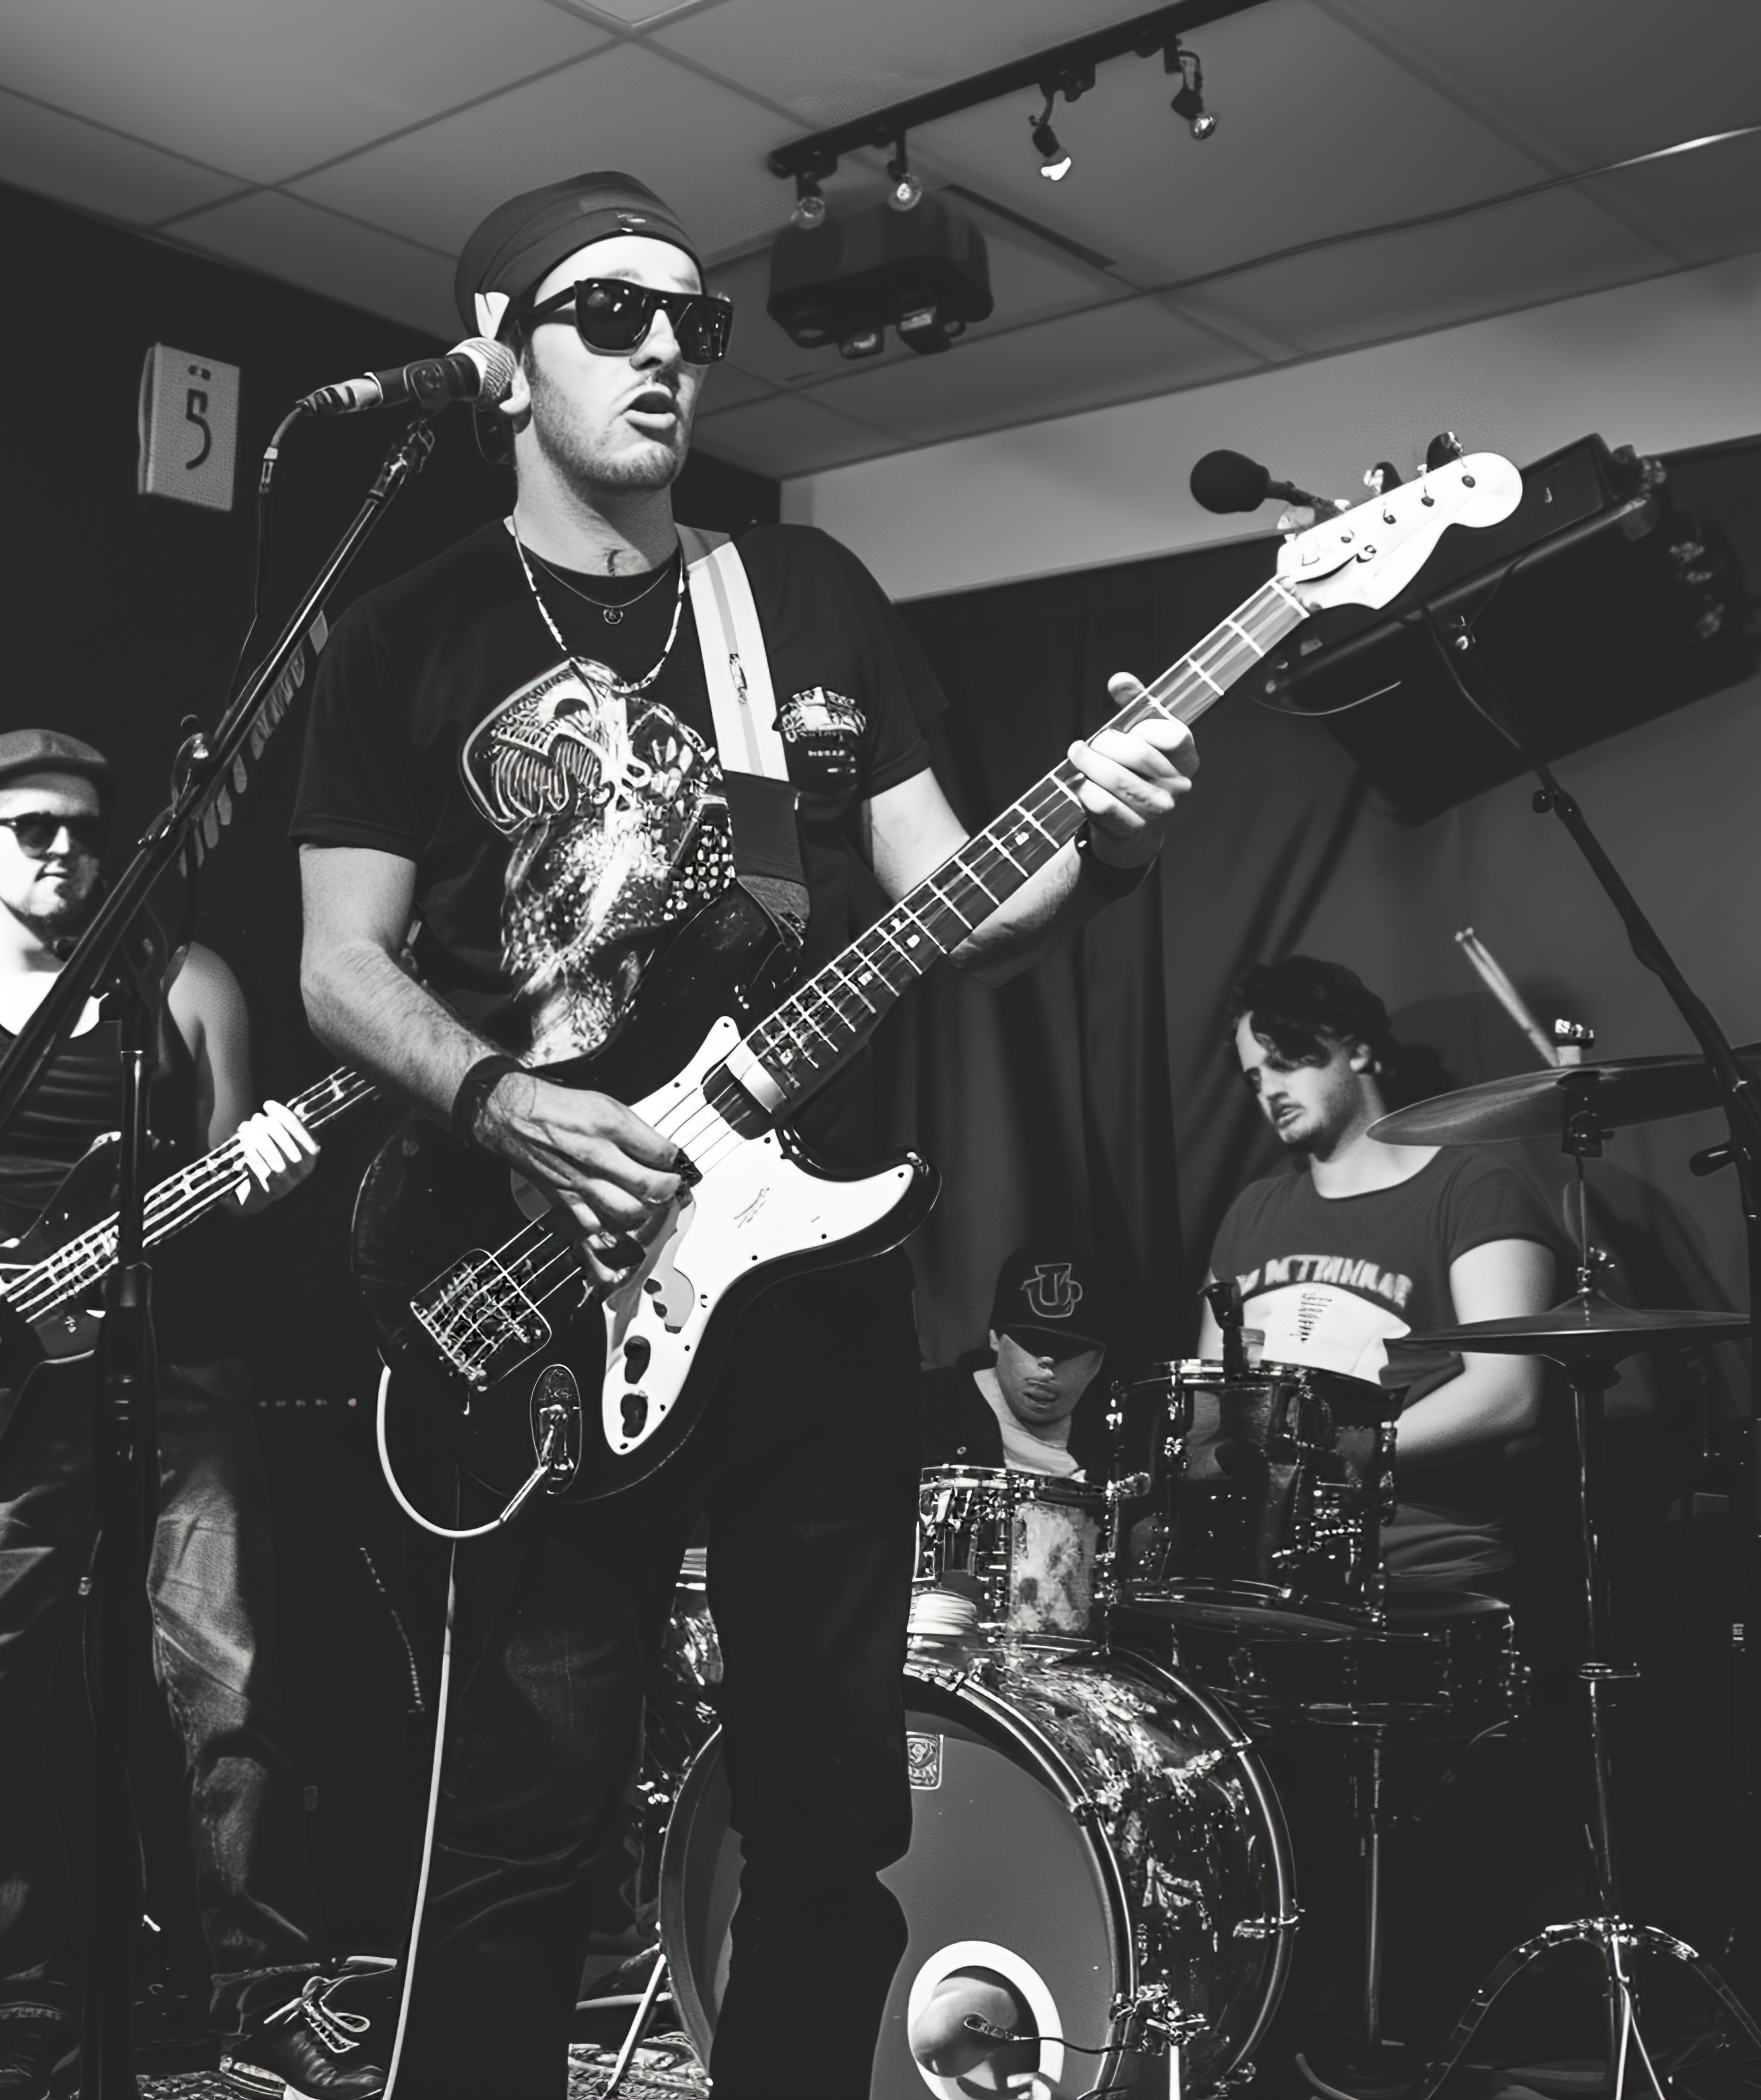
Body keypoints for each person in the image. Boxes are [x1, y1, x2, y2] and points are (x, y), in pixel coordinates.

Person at [288, 171, 1198, 2098]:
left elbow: (960, 893)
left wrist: (1096, 824)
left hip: (807, 1298)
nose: (661, 356)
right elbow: (337, 968)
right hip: (526, 1292)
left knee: (826, 1812)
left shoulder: (805, 597)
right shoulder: (398, 637)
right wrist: (497, 1097)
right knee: (524, 1825)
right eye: (609, 317)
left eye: (690, 325)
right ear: (496, 364)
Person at [0, 731, 385, 2100]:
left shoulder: (182, 984)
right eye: (31, 829)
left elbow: (240, 1171)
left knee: (228, 1692)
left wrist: (274, 1168)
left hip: (179, 1381)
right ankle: (27, 2009)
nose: (64, 853)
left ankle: (267, 1994)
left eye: (84, 831)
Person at [1198, 955, 1560, 1591]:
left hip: (1421, 1573)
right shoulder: (1251, 1212)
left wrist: (1328, 1451)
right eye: (1254, 1078)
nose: (1269, 1090)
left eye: (1285, 1060)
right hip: (1265, 1574)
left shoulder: (1472, 1188)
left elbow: (1509, 1393)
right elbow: (1210, 1398)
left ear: (1357, 1050)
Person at [917, 1240, 1117, 1478]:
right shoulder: (926, 1411)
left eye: (1067, 1352)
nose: (1046, 1368)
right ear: (995, 1339)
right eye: (1032, 1346)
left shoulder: (1116, 1443)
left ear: (1097, 1362)